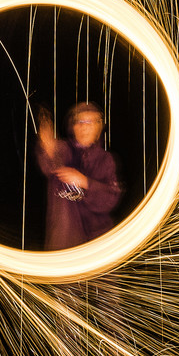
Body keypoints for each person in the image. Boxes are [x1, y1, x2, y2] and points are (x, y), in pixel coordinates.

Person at [35, 102, 123, 250]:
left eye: (90, 122)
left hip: (96, 245)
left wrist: (85, 182)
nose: (84, 127)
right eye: (80, 122)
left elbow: (110, 199)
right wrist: (46, 146)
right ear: (73, 127)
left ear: (98, 128)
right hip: (63, 242)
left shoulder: (105, 160)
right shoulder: (62, 151)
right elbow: (48, 165)